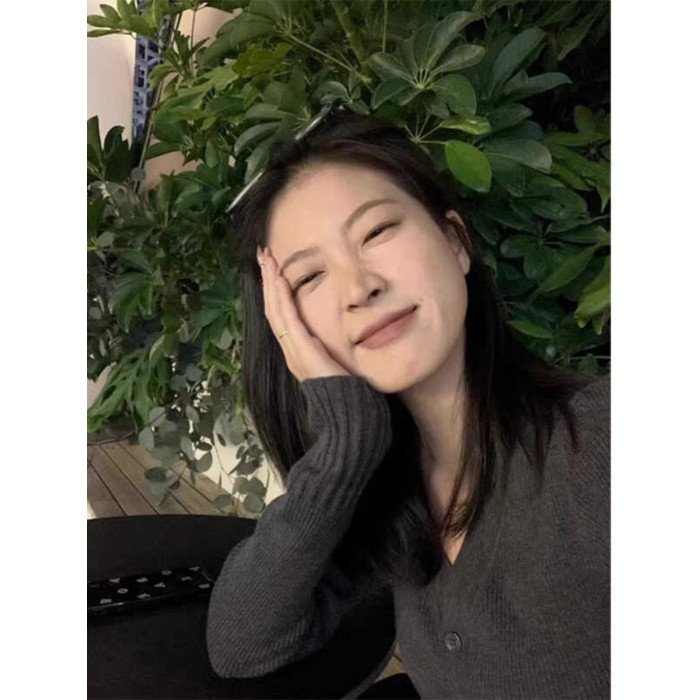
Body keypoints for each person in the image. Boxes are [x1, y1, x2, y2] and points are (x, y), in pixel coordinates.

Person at [206, 107, 610, 699]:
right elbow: (242, 644)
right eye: (309, 278)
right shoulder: (385, 489)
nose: (358, 287)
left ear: (456, 243)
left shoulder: (600, 442)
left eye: (376, 232)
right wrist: (345, 444)